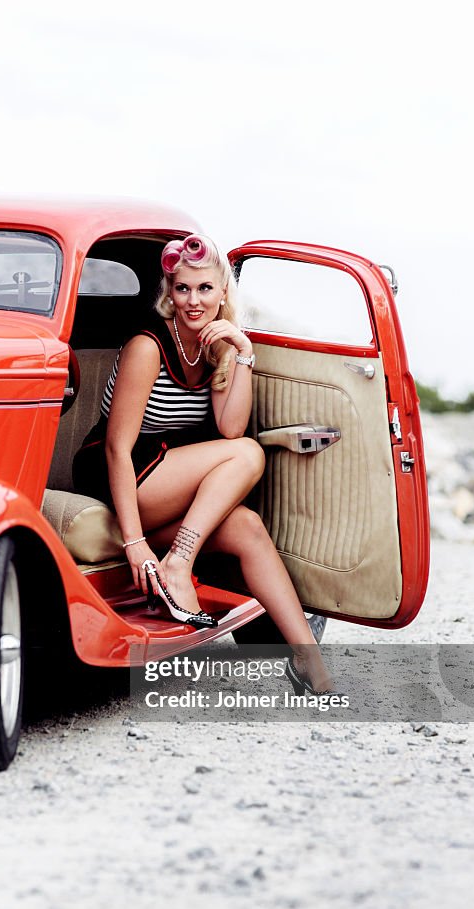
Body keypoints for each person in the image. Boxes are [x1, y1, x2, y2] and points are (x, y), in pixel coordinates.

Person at [73, 234, 333, 694]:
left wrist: (243, 352)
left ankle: (305, 657)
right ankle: (180, 563)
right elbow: (116, 448)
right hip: (121, 478)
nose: (194, 302)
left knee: (248, 527)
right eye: (183, 289)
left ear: (223, 293)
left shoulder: (218, 347)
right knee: (249, 453)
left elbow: (230, 428)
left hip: (169, 480)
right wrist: (134, 543)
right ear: (168, 294)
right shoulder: (147, 346)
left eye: (206, 289)